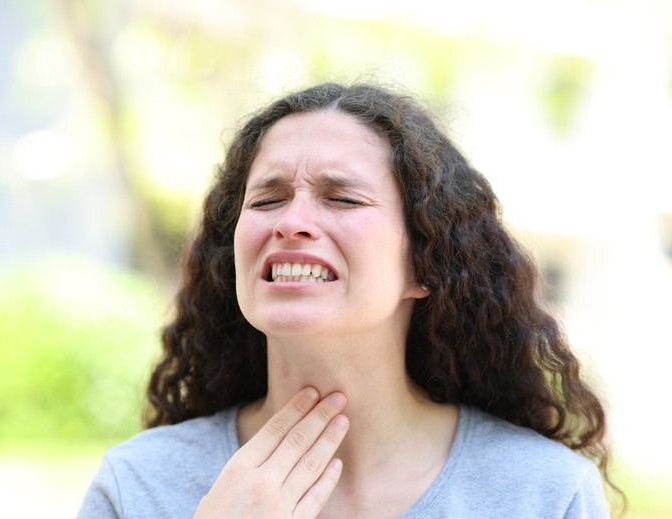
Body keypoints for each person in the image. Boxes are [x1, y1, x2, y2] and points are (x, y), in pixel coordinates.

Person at [77, 82, 619, 518]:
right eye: (267, 199)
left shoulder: (545, 493)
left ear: (426, 262)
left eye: (341, 198)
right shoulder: (138, 484)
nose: (291, 222)